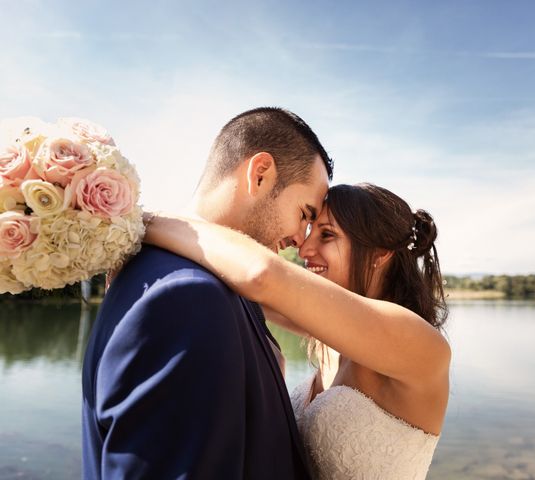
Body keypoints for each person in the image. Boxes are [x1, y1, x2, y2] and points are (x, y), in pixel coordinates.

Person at [81, 107, 333, 479]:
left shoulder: (215, 283)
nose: (302, 238)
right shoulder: (188, 299)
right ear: (260, 174)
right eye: (305, 213)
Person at [143, 182, 451, 479]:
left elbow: (261, 276)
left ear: (380, 253)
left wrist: (140, 223)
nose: (304, 249)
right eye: (310, 231)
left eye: (327, 235)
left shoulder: (418, 343)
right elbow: (237, 286)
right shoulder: (326, 335)